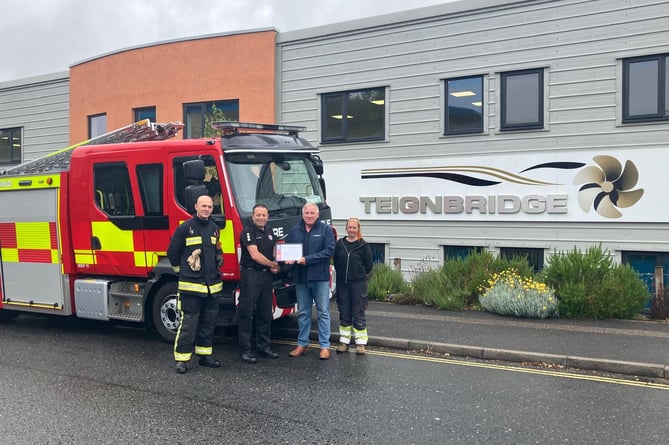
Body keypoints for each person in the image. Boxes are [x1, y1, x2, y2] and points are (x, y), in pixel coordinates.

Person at [167, 194, 224, 374]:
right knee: (189, 324)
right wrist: (182, 272)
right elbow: (172, 253)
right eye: (203, 206)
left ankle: (204, 356)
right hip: (191, 287)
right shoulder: (185, 228)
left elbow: (215, 253)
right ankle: (182, 359)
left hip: (211, 287)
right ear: (196, 207)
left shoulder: (215, 229)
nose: (206, 209)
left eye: (209, 206)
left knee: (208, 323)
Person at [285, 202, 336, 360]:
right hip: (301, 278)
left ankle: (325, 346)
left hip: (319, 277)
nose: (309, 215)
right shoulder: (295, 230)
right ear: (302, 214)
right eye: (306, 212)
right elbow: (287, 248)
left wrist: (307, 260)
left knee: (323, 313)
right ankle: (302, 344)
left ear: (317, 214)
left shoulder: (325, 230)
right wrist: (286, 259)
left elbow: (329, 251)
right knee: (304, 313)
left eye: (312, 213)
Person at [238, 204, 281, 364]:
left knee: (265, 312)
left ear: (267, 216)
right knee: (246, 312)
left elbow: (275, 251)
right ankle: (245, 350)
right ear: (253, 216)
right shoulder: (247, 231)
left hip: (266, 277)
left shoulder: (269, 231)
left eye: (264, 215)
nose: (261, 218)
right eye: (258, 215)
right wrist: (273, 265)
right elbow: (254, 255)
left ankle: (264, 347)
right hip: (251, 274)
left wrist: (278, 263)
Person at [333, 217, 373, 355]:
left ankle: (360, 344)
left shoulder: (363, 246)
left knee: (358, 312)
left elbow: (369, 266)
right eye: (349, 227)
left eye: (354, 228)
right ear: (346, 228)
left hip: (358, 284)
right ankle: (344, 342)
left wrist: (358, 274)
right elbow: (336, 261)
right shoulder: (340, 244)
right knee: (344, 311)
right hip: (342, 284)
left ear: (358, 229)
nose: (351, 230)